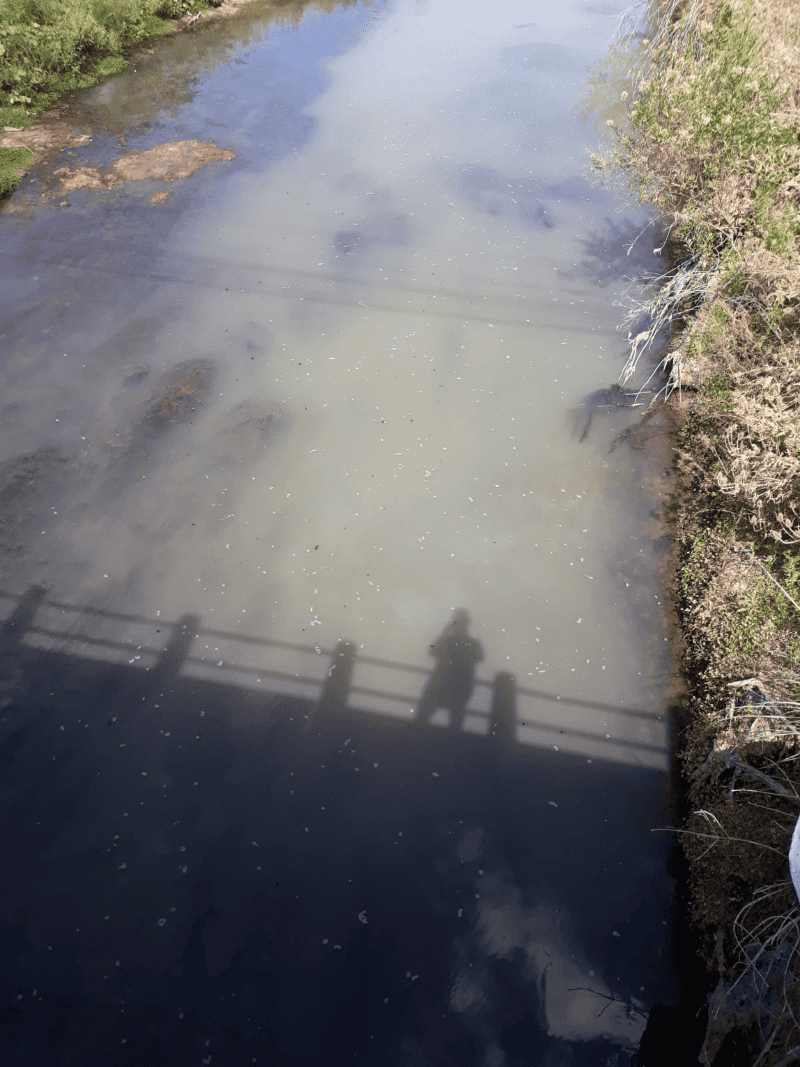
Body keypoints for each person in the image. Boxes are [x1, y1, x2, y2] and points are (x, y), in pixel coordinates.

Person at [414, 610, 483, 730]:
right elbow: (479, 657)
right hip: (458, 686)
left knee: (425, 716)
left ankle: (414, 736)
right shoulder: (471, 643)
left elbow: (433, 651)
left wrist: (445, 634)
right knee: (455, 720)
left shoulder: (450, 641)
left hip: (443, 684)